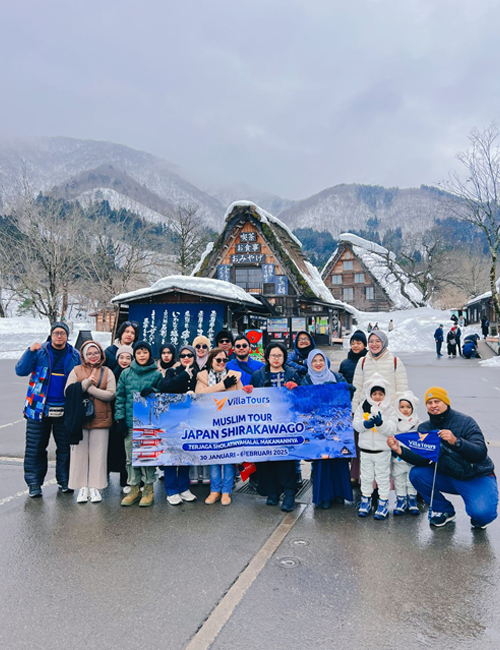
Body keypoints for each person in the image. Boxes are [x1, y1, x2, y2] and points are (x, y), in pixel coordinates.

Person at [387, 387, 498, 529]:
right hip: (448, 475)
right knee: (417, 474)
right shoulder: (425, 428)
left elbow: (480, 452)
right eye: (430, 402)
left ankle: (478, 514)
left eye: (437, 401)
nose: (433, 405)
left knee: (482, 515)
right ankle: (445, 510)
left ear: (446, 402)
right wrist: (400, 450)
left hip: (475, 476)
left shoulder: (465, 422)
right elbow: (423, 459)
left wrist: (456, 442)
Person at [15, 321, 80, 497]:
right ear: (51, 335)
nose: (59, 336)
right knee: (35, 448)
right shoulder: (39, 352)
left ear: (67, 336)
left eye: (63, 333)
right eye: (56, 333)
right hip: (38, 408)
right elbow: (20, 370)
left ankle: (65, 480)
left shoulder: (75, 355)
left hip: (65, 409)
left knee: (65, 448)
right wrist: (30, 352)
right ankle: (34, 483)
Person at [250, 342, 301, 512]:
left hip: (285, 426)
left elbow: (301, 398)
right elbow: (250, 399)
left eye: (279, 356)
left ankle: (289, 494)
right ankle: (272, 493)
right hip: (264, 426)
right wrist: (247, 392)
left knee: (286, 461)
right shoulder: (258, 375)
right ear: (267, 357)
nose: (276, 359)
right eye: (273, 356)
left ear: (284, 357)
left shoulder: (292, 374)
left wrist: (296, 388)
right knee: (267, 460)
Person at [64, 341, 116, 503]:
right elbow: (68, 391)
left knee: (99, 454)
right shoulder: (76, 370)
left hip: (101, 418)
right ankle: (81, 487)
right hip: (79, 419)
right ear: (84, 355)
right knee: (78, 454)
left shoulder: (107, 371)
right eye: (89, 353)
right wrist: (86, 382)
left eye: (96, 353)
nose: (93, 356)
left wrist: (90, 389)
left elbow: (111, 394)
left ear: (101, 354)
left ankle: (95, 487)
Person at [301, 350, 352, 509]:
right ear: (310, 363)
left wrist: (340, 388)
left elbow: (348, 392)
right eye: (314, 360)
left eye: (321, 360)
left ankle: (339, 494)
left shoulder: (337, 377)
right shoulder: (306, 379)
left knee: (338, 461)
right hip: (318, 428)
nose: (318, 363)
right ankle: (325, 496)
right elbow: (303, 401)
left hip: (338, 426)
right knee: (322, 462)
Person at [115, 341, 163, 507]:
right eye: (139, 352)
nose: (142, 355)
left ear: (150, 354)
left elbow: (163, 396)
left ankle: (148, 488)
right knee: (130, 457)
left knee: (147, 456)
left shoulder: (157, 374)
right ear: (134, 355)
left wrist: (154, 392)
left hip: (148, 424)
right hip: (129, 422)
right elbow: (120, 397)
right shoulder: (126, 373)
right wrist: (119, 419)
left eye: (145, 352)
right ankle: (134, 487)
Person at [196, 348, 244, 505]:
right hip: (209, 424)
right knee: (214, 458)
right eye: (218, 360)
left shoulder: (235, 376)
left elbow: (242, 397)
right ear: (211, 361)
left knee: (229, 459)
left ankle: (226, 491)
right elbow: (200, 395)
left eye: (224, 360)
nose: (222, 363)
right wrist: (223, 385)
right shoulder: (202, 376)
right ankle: (214, 490)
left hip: (230, 424)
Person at [156, 345, 199, 505]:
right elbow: (164, 387)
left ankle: (184, 487)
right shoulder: (172, 372)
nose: (186, 358)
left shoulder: (199, 374)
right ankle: (171, 490)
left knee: (186, 454)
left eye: (190, 355)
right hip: (172, 420)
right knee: (171, 455)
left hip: (190, 419)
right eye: (183, 355)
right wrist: (183, 375)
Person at [353, 374, 398, 519]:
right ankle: (365, 500)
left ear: (385, 394)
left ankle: (383, 502)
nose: (377, 397)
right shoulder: (363, 407)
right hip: (366, 450)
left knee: (383, 477)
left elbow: (391, 429)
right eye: (374, 393)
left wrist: (380, 424)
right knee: (366, 477)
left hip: (382, 451)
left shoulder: (389, 409)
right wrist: (365, 424)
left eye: (380, 393)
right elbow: (356, 424)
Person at [351, 330, 408, 413]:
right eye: (371, 341)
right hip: (366, 411)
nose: (374, 344)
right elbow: (357, 388)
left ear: (384, 343)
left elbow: (402, 389)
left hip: (389, 411)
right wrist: (354, 410)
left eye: (378, 341)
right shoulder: (363, 361)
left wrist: (402, 410)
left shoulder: (395, 361)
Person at [339, 330, 368, 485]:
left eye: (359, 343)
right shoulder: (345, 363)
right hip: (349, 406)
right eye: (353, 343)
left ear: (364, 345)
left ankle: (364, 473)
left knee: (365, 441)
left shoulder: (368, 361)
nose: (355, 345)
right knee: (352, 441)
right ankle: (353, 473)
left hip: (366, 406)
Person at [108, 345, 133, 492]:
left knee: (129, 450)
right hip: (115, 415)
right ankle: (122, 480)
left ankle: (129, 480)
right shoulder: (112, 373)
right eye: (121, 357)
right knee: (119, 449)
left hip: (129, 415)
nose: (124, 361)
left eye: (128, 358)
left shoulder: (133, 373)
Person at [391, 391, 421, 516]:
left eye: (408, 407)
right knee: (399, 479)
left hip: (412, 458)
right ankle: (401, 500)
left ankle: (412, 500)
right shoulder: (394, 422)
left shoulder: (417, 422)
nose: (405, 410)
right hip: (397, 458)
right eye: (402, 407)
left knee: (411, 480)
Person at [190, 336, 212, 484]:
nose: (201, 349)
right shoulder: (188, 364)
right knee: (192, 441)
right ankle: (193, 474)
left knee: (207, 441)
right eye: (197, 346)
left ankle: (206, 474)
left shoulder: (212, 365)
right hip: (190, 408)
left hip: (208, 408)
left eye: (204, 346)